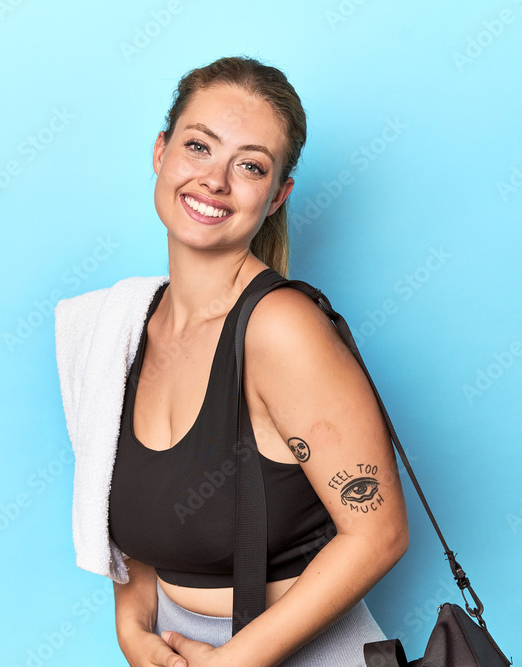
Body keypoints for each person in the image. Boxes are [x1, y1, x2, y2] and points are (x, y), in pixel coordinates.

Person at [102, 55, 409, 667]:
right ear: (161, 152)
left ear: (276, 197)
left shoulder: (280, 330)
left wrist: (236, 662)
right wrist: (132, 624)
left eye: (249, 165)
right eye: (198, 146)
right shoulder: (122, 326)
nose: (214, 180)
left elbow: (379, 533)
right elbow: (141, 518)